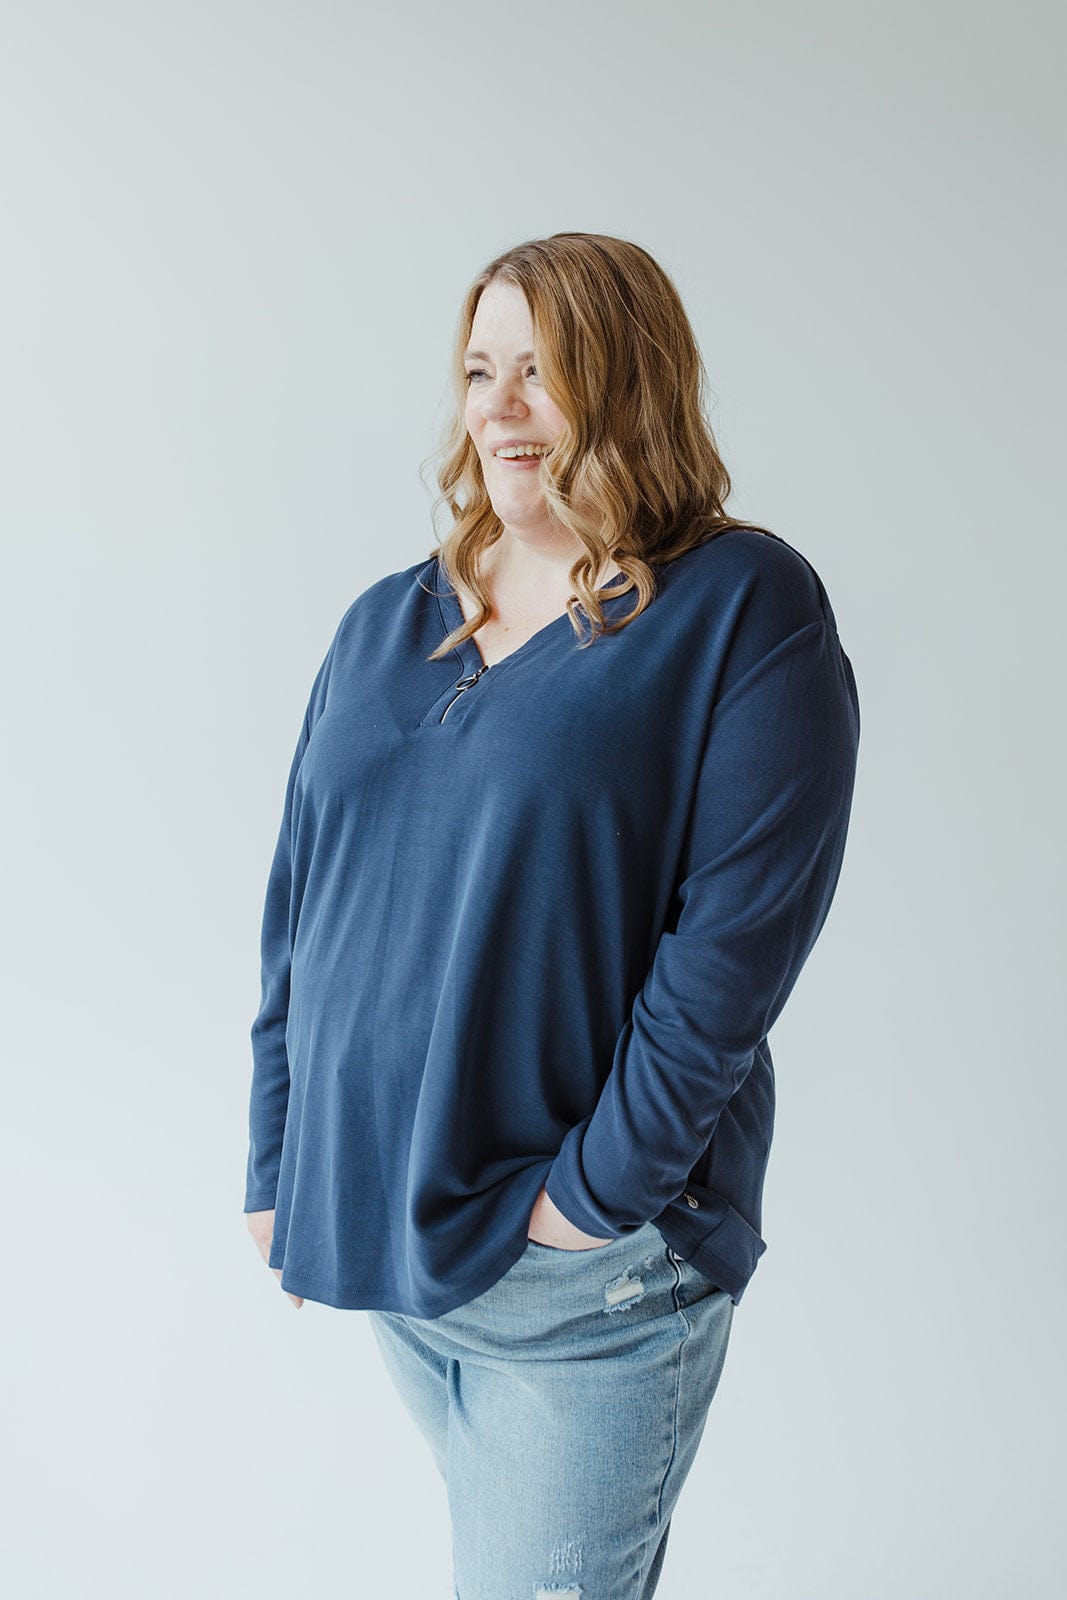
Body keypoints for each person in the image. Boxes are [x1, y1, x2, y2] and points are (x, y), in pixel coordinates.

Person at [243, 231, 860, 1598]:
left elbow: (733, 953)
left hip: (585, 1285)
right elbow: (302, 904)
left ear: (627, 385)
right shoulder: (385, 621)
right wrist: (280, 1153)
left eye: (543, 370)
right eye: (479, 370)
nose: (499, 407)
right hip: (393, 1248)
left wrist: (590, 1203)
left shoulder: (742, 609)